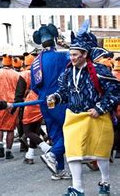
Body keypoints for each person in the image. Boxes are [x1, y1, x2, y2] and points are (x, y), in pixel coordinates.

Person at [47, 21, 120, 196]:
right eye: (70, 54)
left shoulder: (100, 70)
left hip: (96, 117)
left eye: (75, 54)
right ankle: (77, 188)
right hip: (74, 117)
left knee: (100, 154)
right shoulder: (66, 73)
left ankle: (105, 182)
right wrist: (55, 97)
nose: (71, 58)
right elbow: (63, 92)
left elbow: (115, 91)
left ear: (84, 54)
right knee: (72, 153)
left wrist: (100, 107)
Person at [30, 23, 70, 178]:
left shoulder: (35, 62)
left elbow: (34, 87)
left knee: (56, 135)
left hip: (43, 102)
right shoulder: (62, 56)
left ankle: (59, 171)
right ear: (54, 40)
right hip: (59, 100)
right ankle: (52, 155)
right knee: (72, 132)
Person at [14, 53, 55, 170]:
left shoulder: (25, 74)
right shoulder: (43, 72)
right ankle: (30, 155)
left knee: (27, 131)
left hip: (30, 103)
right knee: (35, 129)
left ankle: (47, 149)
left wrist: (15, 107)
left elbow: (19, 94)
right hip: (43, 101)